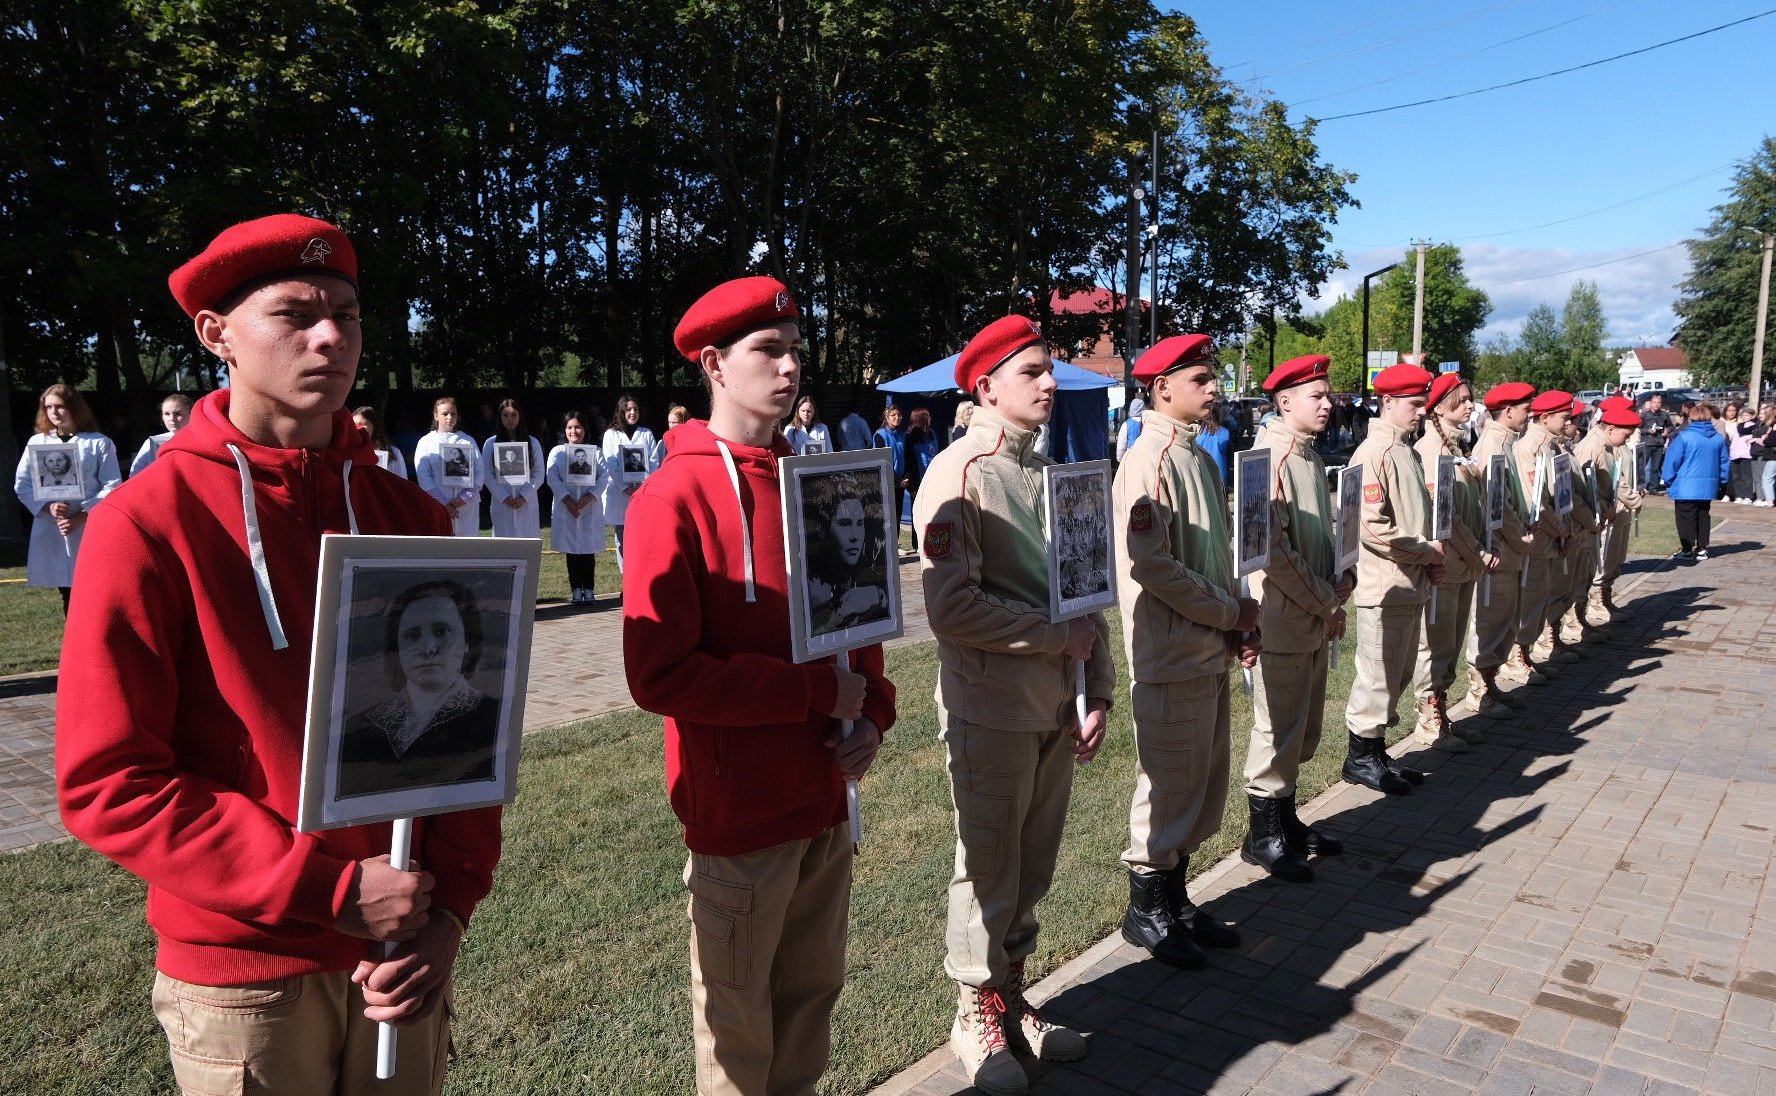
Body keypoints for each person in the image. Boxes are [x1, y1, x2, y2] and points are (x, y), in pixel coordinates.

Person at [56, 214, 500, 1095]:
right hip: (245, 974)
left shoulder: (414, 518)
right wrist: (326, 891)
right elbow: (108, 781)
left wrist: (448, 907)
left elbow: (465, 737)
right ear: (215, 334)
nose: (332, 335)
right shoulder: (146, 523)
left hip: (398, 954)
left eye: (347, 311)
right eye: (295, 313)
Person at [623, 275, 896, 1096]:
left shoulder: (819, 485)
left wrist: (873, 714)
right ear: (713, 363)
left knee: (810, 1009)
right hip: (739, 821)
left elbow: (860, 628)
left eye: (794, 351)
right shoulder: (671, 495)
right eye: (767, 351)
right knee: (738, 1033)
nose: (789, 368)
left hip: (824, 801)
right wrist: (814, 696)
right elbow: (659, 673)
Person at [913, 314, 1112, 1094]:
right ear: (985, 386)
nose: (1051, 383)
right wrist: (1051, 640)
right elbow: (950, 609)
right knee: (988, 865)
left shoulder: (1049, 472)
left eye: (1049, 369)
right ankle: (974, 1013)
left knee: (1031, 868)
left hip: (1052, 706)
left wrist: (1095, 691)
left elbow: (1089, 599)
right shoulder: (960, 474)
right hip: (990, 707)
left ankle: (1009, 993)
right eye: (1032, 371)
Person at [1111, 333, 1256, 962]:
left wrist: (1234, 624)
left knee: (1201, 780)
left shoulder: (1194, 454)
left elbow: (1210, 551)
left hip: (1204, 647)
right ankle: (1146, 910)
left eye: (1213, 377)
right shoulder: (1150, 460)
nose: (1215, 388)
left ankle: (1174, 895)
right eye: (1201, 379)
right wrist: (1228, 611)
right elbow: (1154, 566)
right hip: (1170, 652)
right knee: (1169, 781)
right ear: (1162, 387)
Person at [1243, 355, 1353, 882]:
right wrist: (1325, 599)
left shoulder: (1306, 456)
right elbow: (1274, 552)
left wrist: (1339, 580)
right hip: (1283, 617)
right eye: (1318, 396)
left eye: (1328, 396)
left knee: (1301, 729)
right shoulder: (1273, 458)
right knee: (1277, 728)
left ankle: (1286, 821)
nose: (1328, 404)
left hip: (1309, 613)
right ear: (1285, 402)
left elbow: (1319, 537)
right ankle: (1263, 834)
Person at [1342, 364, 1442, 797]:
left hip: (1408, 580)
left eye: (1423, 404)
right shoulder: (1374, 452)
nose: (1421, 412)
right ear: (1387, 402)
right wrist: (1424, 550)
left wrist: (1427, 556)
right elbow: (1370, 525)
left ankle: (1376, 749)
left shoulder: (1408, 451)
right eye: (1414, 404)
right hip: (1384, 584)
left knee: (1398, 673)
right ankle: (1360, 756)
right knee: (1377, 674)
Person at [339, 580, 500, 799]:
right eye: (412, 635)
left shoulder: (495, 720)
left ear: (467, 642)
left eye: (441, 631)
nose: (427, 649)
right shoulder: (361, 727)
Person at [1411, 372, 1494, 753]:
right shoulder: (1434, 451)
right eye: (1461, 401)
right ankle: (1428, 723)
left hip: (1463, 565)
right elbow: (1446, 518)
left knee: (1451, 642)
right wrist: (1476, 550)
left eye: (1470, 400)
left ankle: (1442, 714)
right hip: (1449, 564)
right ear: (1440, 406)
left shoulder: (1457, 448)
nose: (1469, 407)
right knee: (1436, 645)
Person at [13, 384, 122, 614]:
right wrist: (47, 506)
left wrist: (83, 514)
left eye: (60, 406)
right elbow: (22, 484)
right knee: (67, 591)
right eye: (49, 407)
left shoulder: (98, 443)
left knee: (92, 590)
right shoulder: (37, 443)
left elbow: (112, 485)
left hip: (89, 526)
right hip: (52, 527)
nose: (54, 412)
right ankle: (74, 647)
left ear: (74, 407)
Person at [1467, 383, 1540, 704]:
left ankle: (1491, 683)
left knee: (1506, 619)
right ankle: (1480, 690)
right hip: (1498, 547)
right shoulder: (1494, 445)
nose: (1530, 415)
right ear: (1508, 411)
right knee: (1491, 619)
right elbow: (1496, 503)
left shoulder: (1506, 442)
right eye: (1525, 410)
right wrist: (1520, 537)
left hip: (1508, 547)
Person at [1515, 390, 1576, 670]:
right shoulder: (1531, 447)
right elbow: (1535, 501)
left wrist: (1565, 528)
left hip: (1553, 534)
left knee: (1544, 596)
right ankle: (1517, 655)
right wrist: (1560, 527)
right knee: (1530, 599)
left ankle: (1534, 646)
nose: (1568, 423)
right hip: (1540, 536)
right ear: (1545, 417)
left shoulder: (1554, 446)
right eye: (1564, 418)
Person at [1573, 401, 1640, 630]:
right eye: (1626, 433)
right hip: (1593, 518)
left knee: (1610, 562)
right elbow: (1583, 488)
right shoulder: (1593, 446)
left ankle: (1601, 602)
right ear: (1610, 427)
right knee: (1591, 569)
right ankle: (1589, 611)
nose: (1628, 439)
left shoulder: (1607, 446)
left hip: (1606, 513)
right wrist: (1628, 500)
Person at [803, 470, 892, 635]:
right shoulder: (812, 588)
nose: (855, 536)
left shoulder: (863, 571)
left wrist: (877, 596)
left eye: (859, 524)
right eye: (844, 523)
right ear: (823, 529)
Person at [547, 411, 608, 605]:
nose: (574, 431)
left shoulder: (596, 452)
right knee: (572, 550)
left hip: (588, 508)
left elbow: (604, 477)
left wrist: (588, 498)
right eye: (570, 427)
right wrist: (568, 501)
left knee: (588, 550)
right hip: (567, 507)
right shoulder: (557, 452)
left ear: (585, 429)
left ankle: (589, 589)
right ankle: (575, 590)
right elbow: (552, 479)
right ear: (565, 430)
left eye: (578, 427)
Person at [1663, 400, 1729, 560]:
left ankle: (1686, 550)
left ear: (1692, 418)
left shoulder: (1685, 437)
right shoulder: (1718, 439)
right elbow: (1724, 463)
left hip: (1686, 485)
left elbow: (1672, 460)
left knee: (1685, 518)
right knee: (1703, 515)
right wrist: (1722, 481)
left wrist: (1667, 479)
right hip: (1708, 485)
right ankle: (1702, 548)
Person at [601, 393, 660, 571]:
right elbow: (610, 463)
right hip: (620, 493)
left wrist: (642, 486)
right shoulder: (611, 434)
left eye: (635, 409)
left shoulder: (646, 433)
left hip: (642, 491)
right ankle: (625, 578)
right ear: (621, 411)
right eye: (628, 409)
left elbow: (653, 461)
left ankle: (641, 574)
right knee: (622, 537)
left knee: (641, 536)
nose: (632, 413)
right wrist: (626, 487)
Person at [415, 397, 483, 536]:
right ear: (436, 416)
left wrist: (463, 498)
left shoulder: (468, 440)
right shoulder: (426, 442)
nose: (450, 417)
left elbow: (479, 472)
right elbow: (423, 475)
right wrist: (443, 504)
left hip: (465, 507)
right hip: (437, 505)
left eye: (453, 413)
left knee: (467, 547)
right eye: (445, 413)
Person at [480, 398, 545, 539]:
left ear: (520, 416)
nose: (510, 419)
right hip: (502, 503)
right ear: (500, 417)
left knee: (527, 546)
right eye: (505, 415)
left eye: (514, 415)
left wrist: (524, 496)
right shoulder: (490, 443)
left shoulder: (533, 442)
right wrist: (504, 497)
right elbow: (487, 475)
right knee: (504, 548)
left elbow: (539, 474)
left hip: (526, 503)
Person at [130, 393, 194, 475]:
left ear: (191, 414)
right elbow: (135, 475)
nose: (171, 419)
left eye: (178, 413)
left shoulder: (202, 440)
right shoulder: (151, 443)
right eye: (167, 414)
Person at [874, 405, 908, 550]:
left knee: (898, 514)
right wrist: (895, 479)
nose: (897, 418)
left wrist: (906, 476)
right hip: (887, 482)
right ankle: (885, 546)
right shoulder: (880, 435)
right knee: (887, 516)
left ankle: (895, 544)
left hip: (901, 482)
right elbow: (882, 459)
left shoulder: (903, 434)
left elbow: (906, 456)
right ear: (887, 417)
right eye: (893, 415)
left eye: (899, 415)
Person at [353, 404, 410, 478]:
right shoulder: (348, 451)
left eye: (362, 424)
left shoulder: (394, 453)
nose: (357, 428)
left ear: (375, 426)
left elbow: (402, 483)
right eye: (353, 424)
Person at [1636, 392, 1672, 493]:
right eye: (1654, 402)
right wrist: (1647, 430)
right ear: (1651, 403)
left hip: (1659, 443)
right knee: (1642, 466)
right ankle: (1639, 486)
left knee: (1655, 467)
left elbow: (1670, 426)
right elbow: (1637, 429)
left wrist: (1667, 431)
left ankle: (1653, 488)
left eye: (1659, 402)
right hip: (1647, 443)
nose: (1656, 404)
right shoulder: (1644, 415)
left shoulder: (1664, 415)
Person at [1196, 400, 1232, 485]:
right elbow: (1229, 455)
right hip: (1220, 472)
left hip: (1201, 473)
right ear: (1218, 414)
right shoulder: (1225, 432)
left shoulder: (1196, 433)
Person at [1114, 397, 1144, 461]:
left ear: (1131, 409)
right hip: (1145, 458)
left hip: (1131, 459)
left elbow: (1121, 445)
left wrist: (1120, 459)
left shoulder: (1127, 424)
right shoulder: (1147, 422)